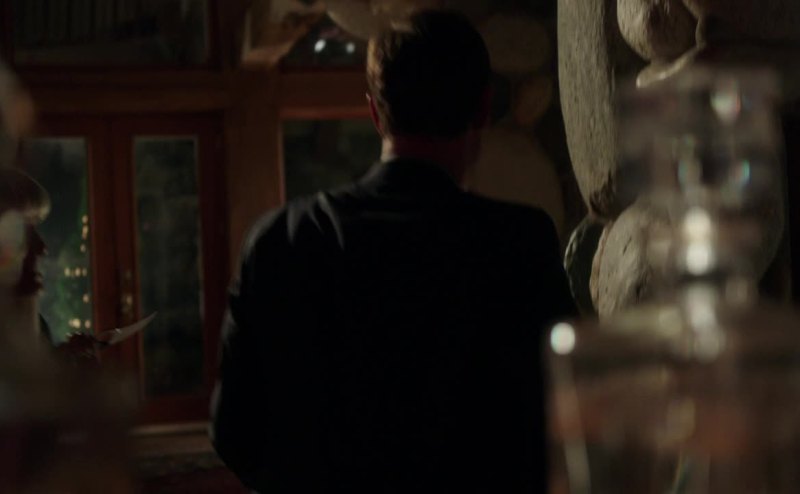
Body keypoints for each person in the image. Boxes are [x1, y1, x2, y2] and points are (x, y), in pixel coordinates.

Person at [211, 10, 577, 493]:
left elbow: (234, 432)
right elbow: (568, 411)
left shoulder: (281, 241)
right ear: (484, 108)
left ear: (375, 112)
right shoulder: (519, 245)